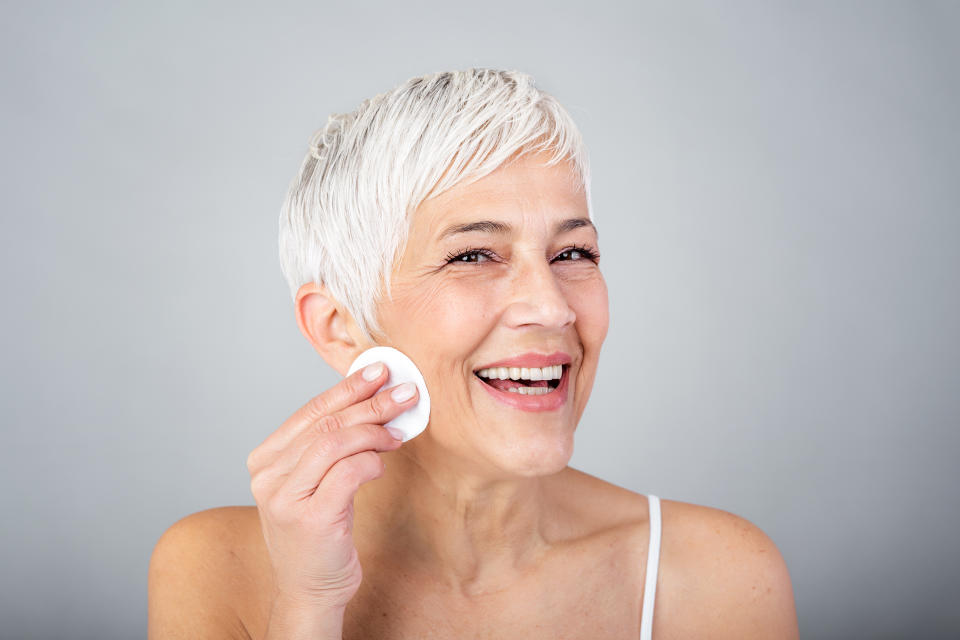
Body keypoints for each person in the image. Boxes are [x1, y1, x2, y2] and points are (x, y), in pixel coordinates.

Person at [148, 69, 799, 639]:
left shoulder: (717, 575)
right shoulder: (213, 568)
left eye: (572, 253)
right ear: (340, 326)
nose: (552, 308)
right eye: (473, 255)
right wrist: (308, 605)